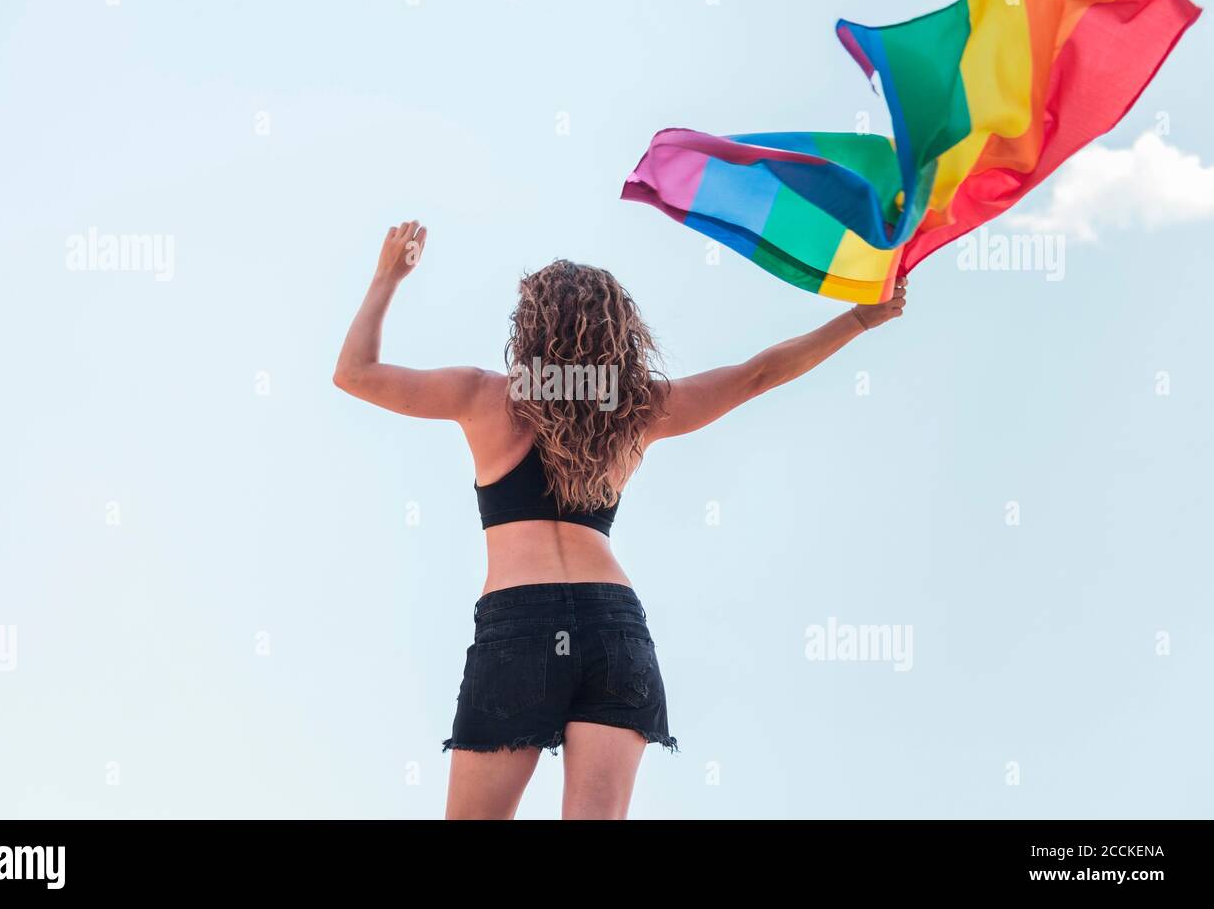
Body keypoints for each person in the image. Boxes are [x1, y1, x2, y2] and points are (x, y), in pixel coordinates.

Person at [333, 220, 907, 818]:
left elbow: (354, 373)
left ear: (529, 329)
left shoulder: (484, 397)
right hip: (613, 626)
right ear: (618, 335)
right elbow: (759, 372)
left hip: (521, 623)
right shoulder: (639, 413)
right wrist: (860, 319)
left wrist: (386, 278)